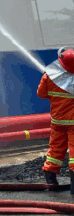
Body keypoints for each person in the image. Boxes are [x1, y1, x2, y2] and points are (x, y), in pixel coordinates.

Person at [38, 48, 74, 195]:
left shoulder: (49, 76)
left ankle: (51, 181)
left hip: (57, 121)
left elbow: (41, 94)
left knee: (55, 150)